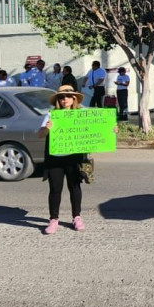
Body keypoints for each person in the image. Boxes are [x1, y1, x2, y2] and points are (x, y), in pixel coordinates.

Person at [37, 85, 102, 235]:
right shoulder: (52, 115)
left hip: (74, 158)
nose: (65, 99)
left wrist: (112, 130)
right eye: (61, 97)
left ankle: (77, 217)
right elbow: (40, 134)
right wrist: (47, 128)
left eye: (68, 96)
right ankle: (53, 219)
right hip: (55, 158)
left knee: (74, 187)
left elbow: (98, 129)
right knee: (55, 189)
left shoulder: (81, 114)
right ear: (58, 100)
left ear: (74, 98)